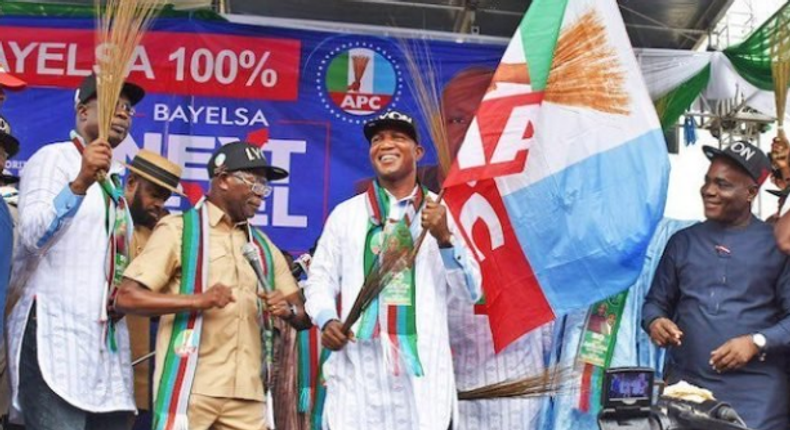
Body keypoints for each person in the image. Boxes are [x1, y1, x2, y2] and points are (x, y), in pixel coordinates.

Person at [304, 110, 481, 430]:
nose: (385, 144)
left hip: (421, 379)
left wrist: (444, 239)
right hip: (362, 375)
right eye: (377, 139)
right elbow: (319, 279)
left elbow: (471, 292)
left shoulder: (445, 215)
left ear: (418, 152)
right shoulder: (346, 216)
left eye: (398, 137)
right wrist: (326, 318)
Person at [115, 141, 310, 430]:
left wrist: (288, 310)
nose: (260, 194)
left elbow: (303, 316)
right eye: (252, 181)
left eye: (264, 185)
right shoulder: (178, 230)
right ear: (223, 180)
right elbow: (127, 298)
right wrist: (197, 300)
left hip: (248, 393)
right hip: (191, 387)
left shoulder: (264, 247)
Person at [5, 73, 145, 430]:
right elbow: (32, 237)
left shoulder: (114, 181)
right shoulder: (53, 159)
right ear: (83, 112)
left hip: (103, 346)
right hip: (53, 330)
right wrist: (80, 182)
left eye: (128, 108)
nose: (124, 113)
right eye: (114, 105)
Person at [642, 141, 790, 430]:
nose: (709, 190)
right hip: (688, 397)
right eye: (708, 181)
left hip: (758, 403)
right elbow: (654, 303)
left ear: (751, 192)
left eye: (722, 184)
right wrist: (655, 321)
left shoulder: (777, 245)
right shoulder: (682, 242)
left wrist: (756, 341)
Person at [121, 149, 184, 428]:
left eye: (165, 198)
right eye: (154, 195)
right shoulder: (109, 219)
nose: (159, 204)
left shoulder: (164, 233)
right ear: (131, 182)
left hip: (152, 362)